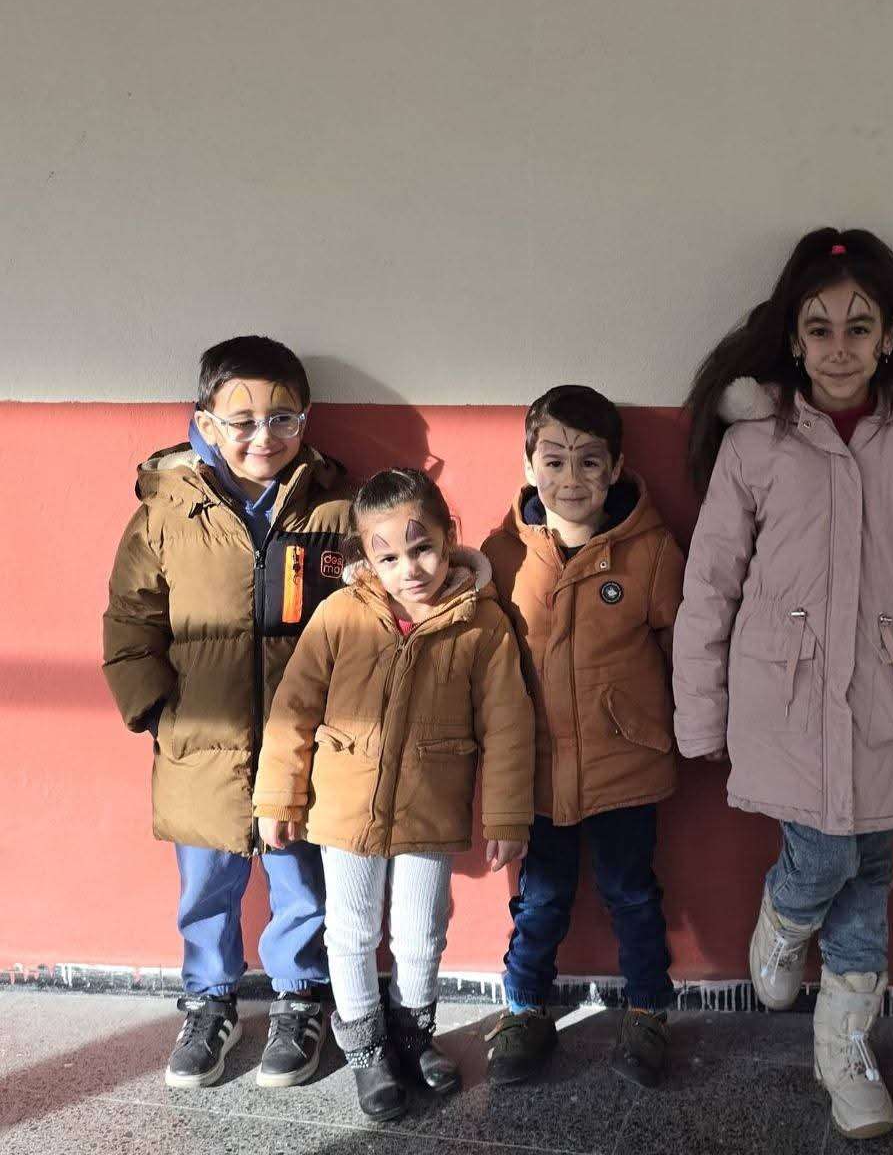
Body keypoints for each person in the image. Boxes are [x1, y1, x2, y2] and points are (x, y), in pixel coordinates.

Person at [673, 228, 893, 1141]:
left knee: (869, 872)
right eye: (819, 329)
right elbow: (711, 584)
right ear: (793, 339)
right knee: (824, 857)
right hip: (783, 697)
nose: (839, 348)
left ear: (888, 338)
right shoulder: (755, 445)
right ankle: (783, 917)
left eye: (858, 328)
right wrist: (700, 711)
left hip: (891, 693)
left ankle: (844, 1048)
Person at [102, 335, 352, 1091]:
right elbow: (130, 618)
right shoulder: (166, 510)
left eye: (282, 419)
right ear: (205, 420)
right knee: (206, 885)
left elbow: (366, 615)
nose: (262, 437)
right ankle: (209, 1003)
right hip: (199, 741)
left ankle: (299, 999)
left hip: (300, 746)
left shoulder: (334, 509)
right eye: (241, 421)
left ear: (305, 420)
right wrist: (155, 710)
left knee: (300, 878)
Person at [253, 467, 534, 1120]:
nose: (409, 569)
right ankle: (367, 1050)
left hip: (430, 808)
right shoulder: (340, 614)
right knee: (350, 931)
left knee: (421, 931)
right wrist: (277, 799)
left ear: (448, 538)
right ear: (365, 557)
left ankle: (412, 1036)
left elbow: (508, 725)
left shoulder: (481, 623)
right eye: (388, 557)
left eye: (422, 548)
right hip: (344, 807)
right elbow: (293, 707)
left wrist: (507, 816)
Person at [481, 385, 686, 1090]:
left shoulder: (651, 553)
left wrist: (693, 725)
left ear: (617, 466)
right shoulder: (502, 554)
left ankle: (648, 1011)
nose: (571, 480)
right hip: (537, 769)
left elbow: (682, 651)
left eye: (590, 462)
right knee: (539, 899)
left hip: (625, 763)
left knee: (632, 893)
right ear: (528, 465)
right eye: (554, 461)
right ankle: (523, 1010)